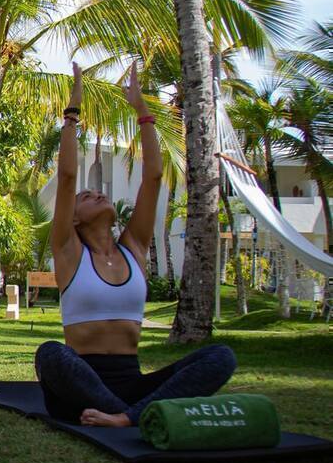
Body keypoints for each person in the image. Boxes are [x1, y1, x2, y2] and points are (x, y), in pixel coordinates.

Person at [34, 62, 236, 427]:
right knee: (51, 355)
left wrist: (142, 111)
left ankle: (127, 418)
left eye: (97, 191)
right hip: (80, 390)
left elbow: (154, 177)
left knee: (220, 356)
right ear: (74, 218)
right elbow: (65, 177)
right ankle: (137, 417)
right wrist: (72, 110)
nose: (95, 192)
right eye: (86, 195)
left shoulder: (134, 249)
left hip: (132, 386)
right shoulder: (68, 251)